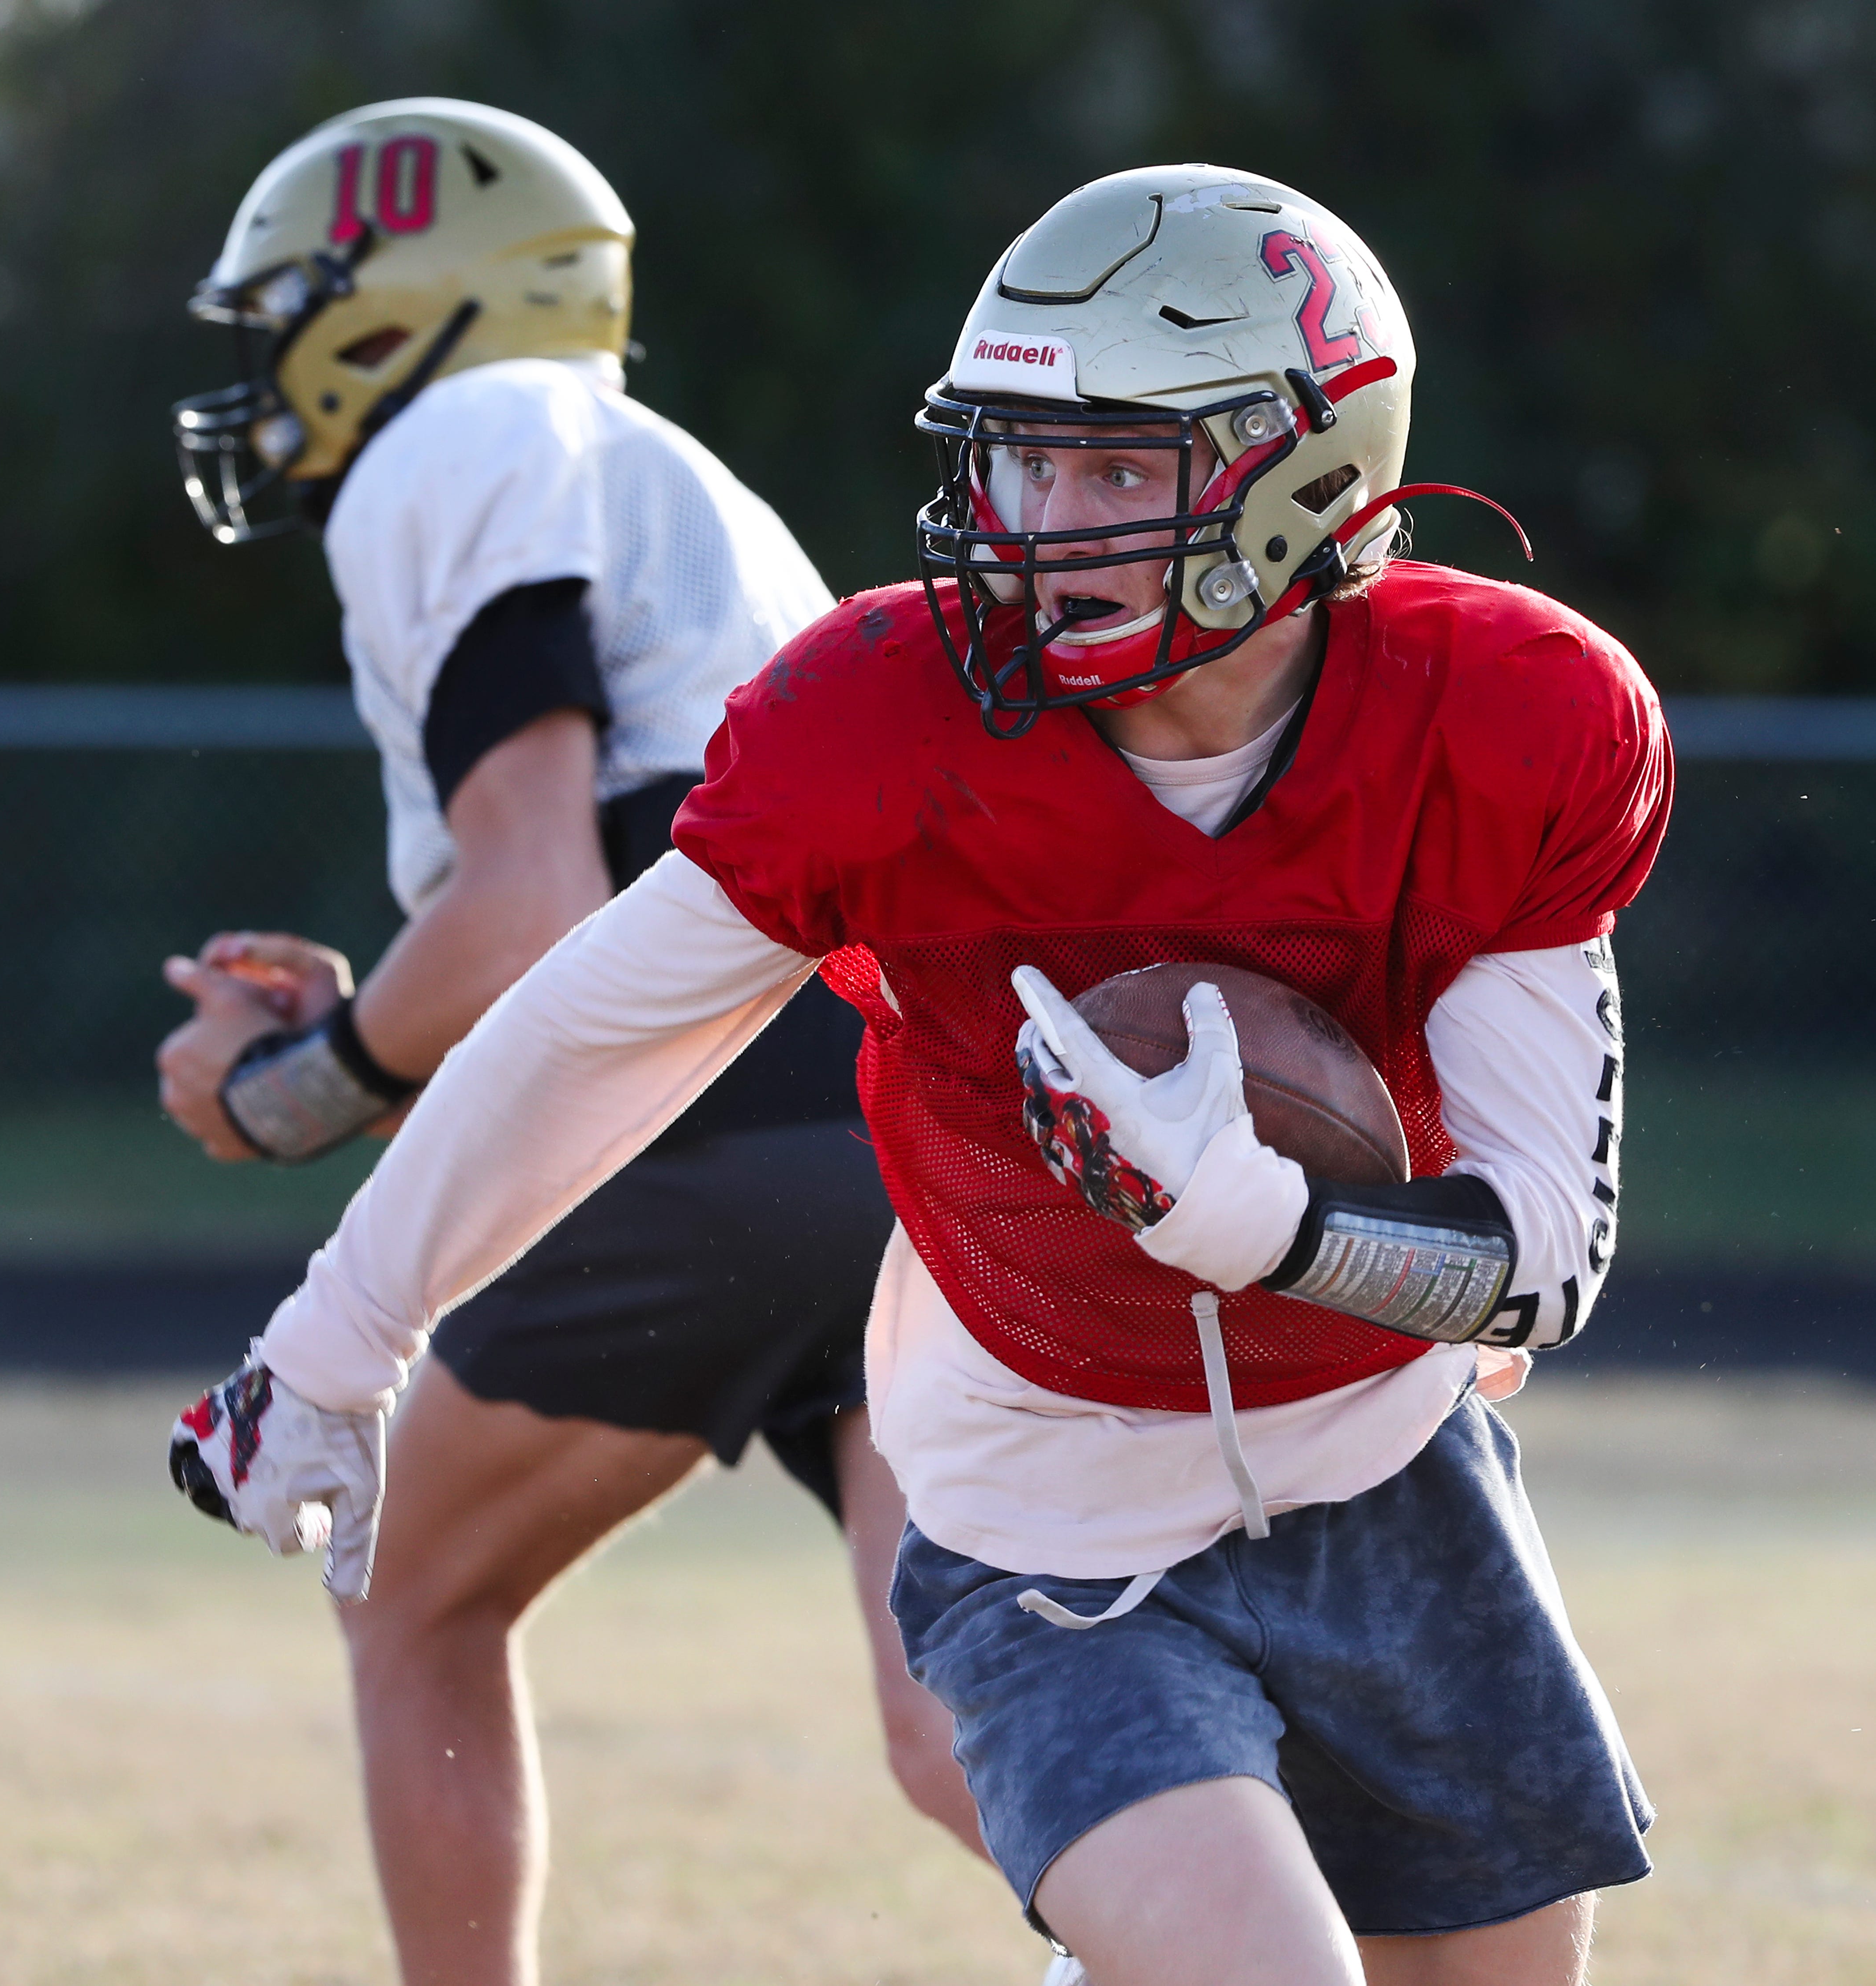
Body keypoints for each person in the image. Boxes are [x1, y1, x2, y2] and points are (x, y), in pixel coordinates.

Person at [170, 162, 1673, 1986]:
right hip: (1042, 1499)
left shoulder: (1506, 713)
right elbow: (589, 1029)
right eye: (1023, 458)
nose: (1046, 519)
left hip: (1386, 1466)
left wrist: (1264, 1222)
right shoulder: (884, 719)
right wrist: (337, 1345)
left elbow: (1539, 1257)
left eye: (1120, 468)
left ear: (1308, 471)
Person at [156, 98, 984, 1986]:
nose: (267, 367)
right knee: (973, 1725)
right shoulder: (657, 473)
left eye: (287, 312)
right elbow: (592, 932)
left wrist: (295, 1086)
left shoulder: (457, 438)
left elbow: (540, 912)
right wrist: (368, 1033)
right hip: (915, 1109)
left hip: (732, 1116)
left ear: (398, 300)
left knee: (409, 1594)